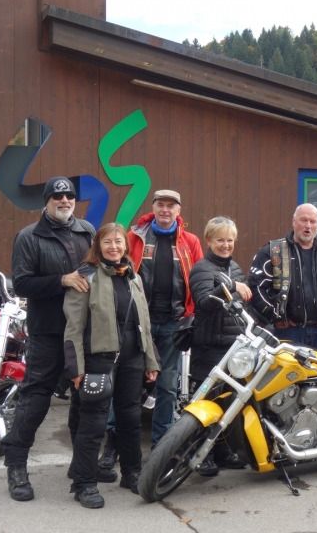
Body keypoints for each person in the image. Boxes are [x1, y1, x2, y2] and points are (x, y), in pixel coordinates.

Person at [2, 177, 96, 502]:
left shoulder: (87, 231)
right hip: (48, 331)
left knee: (85, 399)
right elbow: (22, 284)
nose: (64, 200)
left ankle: (82, 468)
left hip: (83, 332)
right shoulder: (29, 237)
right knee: (36, 398)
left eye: (69, 195)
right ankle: (15, 466)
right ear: (46, 201)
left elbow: (97, 271)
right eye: (57, 196)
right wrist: (62, 280)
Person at [63, 223, 159, 508]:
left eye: (118, 242)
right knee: (93, 423)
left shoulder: (133, 277)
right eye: (108, 242)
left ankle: (132, 473)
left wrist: (150, 360)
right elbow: (73, 328)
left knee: (130, 420)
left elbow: (145, 324)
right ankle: (84, 483)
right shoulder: (86, 276)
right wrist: (76, 368)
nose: (114, 247)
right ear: (98, 246)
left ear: (125, 246)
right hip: (98, 361)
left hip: (132, 360)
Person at [127, 189, 203, 447]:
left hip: (173, 322)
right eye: (161, 204)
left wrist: (192, 314)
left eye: (171, 206)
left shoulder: (190, 241)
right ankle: (119, 440)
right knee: (130, 382)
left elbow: (199, 278)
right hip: (139, 322)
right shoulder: (135, 236)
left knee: (167, 386)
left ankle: (161, 444)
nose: (165, 210)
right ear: (153, 207)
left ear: (178, 211)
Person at [188, 217, 251, 475]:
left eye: (229, 240)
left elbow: (242, 306)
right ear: (209, 241)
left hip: (232, 348)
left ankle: (223, 452)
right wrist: (231, 286)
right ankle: (201, 455)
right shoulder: (202, 269)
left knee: (227, 403)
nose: (226, 245)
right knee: (207, 403)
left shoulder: (234, 267)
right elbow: (204, 302)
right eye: (220, 240)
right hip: (209, 348)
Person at [249, 203, 317, 352]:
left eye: (312, 221)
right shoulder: (273, 251)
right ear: (294, 222)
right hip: (286, 333)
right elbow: (255, 287)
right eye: (304, 220)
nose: (308, 225)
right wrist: (275, 316)